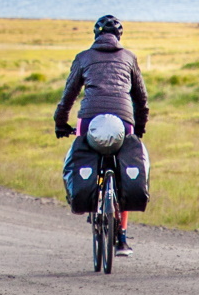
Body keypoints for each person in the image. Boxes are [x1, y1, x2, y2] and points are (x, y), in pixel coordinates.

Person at [54, 13, 149, 255]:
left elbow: (69, 96)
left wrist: (60, 123)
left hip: (89, 121)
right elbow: (141, 99)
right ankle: (123, 238)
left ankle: (93, 203)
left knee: (82, 155)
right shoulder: (129, 57)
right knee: (124, 170)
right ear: (119, 36)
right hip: (124, 121)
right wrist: (138, 128)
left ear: (96, 35)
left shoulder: (83, 57)